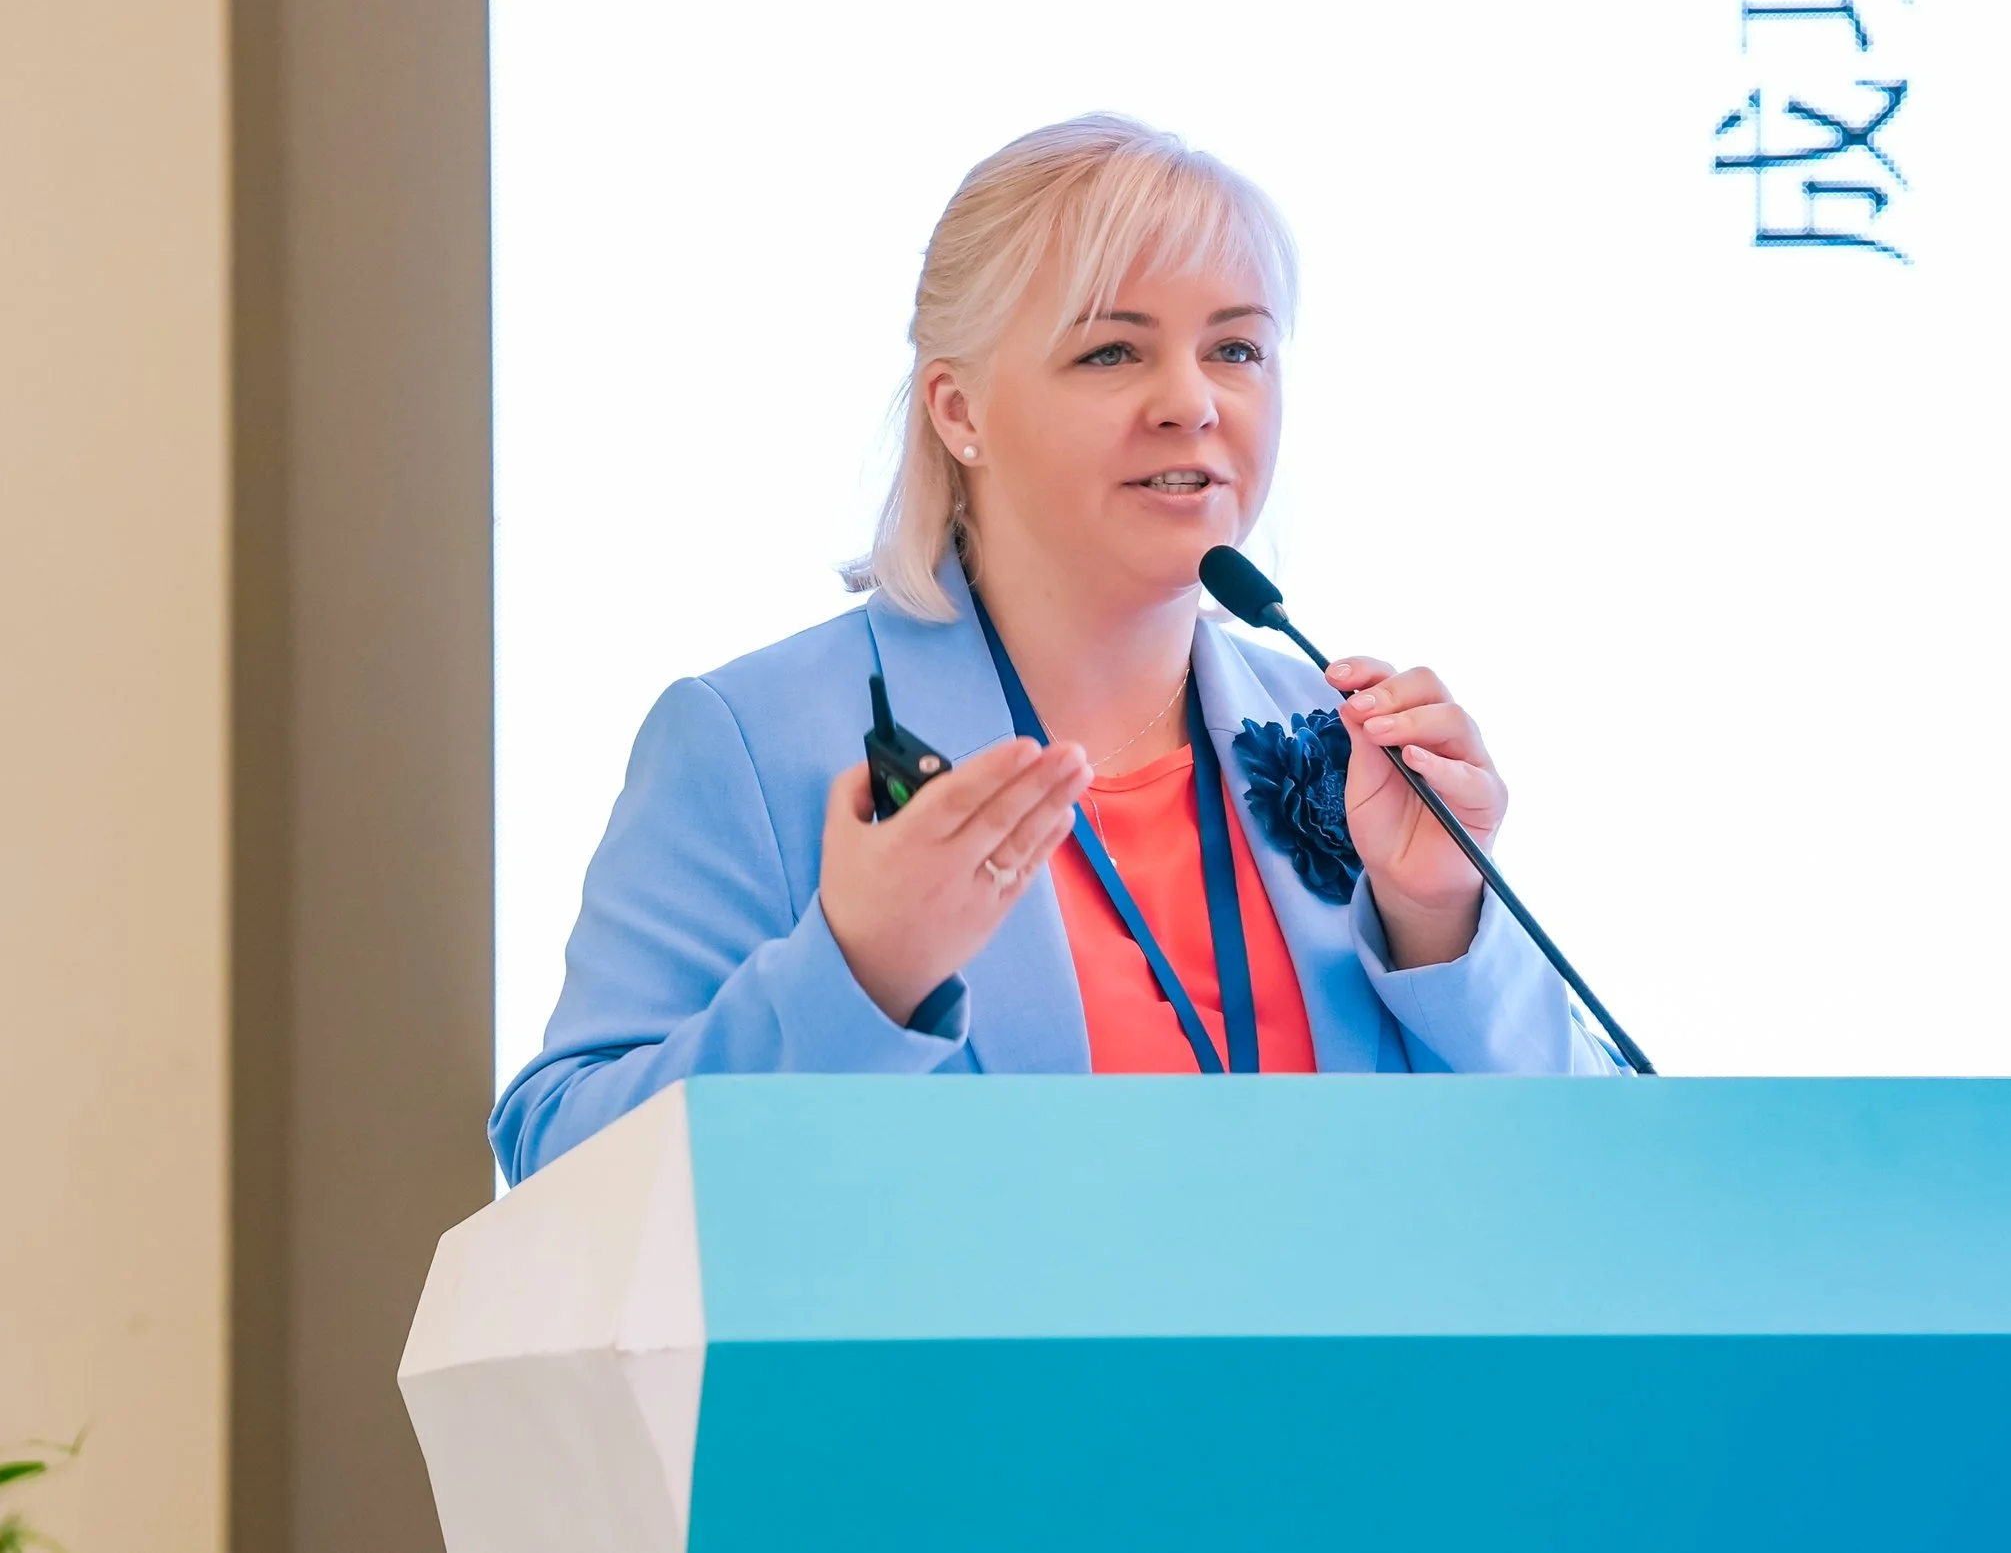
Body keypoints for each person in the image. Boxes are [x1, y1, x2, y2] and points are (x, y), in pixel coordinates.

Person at [490, 114, 1627, 1185]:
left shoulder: (1349, 746)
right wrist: (857, 975)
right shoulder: (756, 738)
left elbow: (1590, 1172)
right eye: (1110, 355)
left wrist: (1438, 921)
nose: (1191, 402)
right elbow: (558, 1157)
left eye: (1236, 349)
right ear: (957, 410)